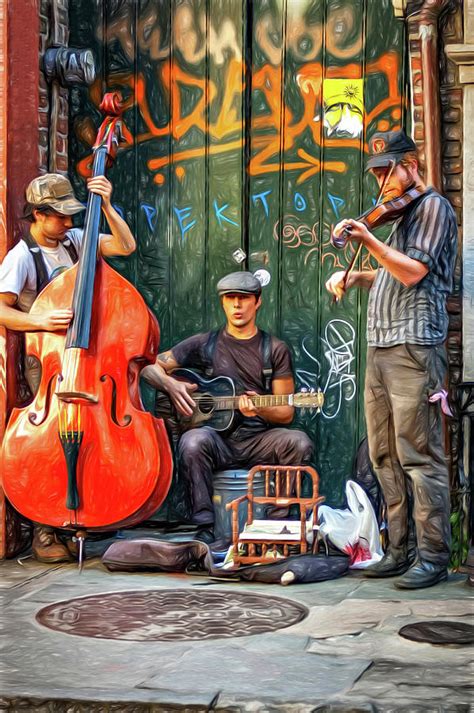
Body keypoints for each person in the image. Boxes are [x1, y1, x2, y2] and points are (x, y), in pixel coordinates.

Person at [326, 129, 457, 589]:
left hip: (413, 346)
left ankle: (433, 556)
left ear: (411, 164)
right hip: (380, 345)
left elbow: (413, 271)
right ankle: (398, 549)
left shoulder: (433, 207)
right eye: (377, 171)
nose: (382, 180)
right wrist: (355, 278)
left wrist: (369, 239)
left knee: (418, 455)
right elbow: (387, 273)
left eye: (388, 169)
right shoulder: (398, 215)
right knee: (383, 454)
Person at [0, 172, 136, 562]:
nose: (69, 223)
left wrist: (106, 205)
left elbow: (126, 246)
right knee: (52, 445)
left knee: (92, 435)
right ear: (38, 215)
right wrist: (41, 321)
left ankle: (89, 512)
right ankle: (45, 529)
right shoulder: (22, 257)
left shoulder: (76, 241)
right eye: (60, 216)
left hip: (90, 360)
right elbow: (2, 308)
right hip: (49, 362)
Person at [141, 271, 314, 545]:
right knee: (193, 440)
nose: (236, 305)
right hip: (217, 440)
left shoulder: (275, 349)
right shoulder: (205, 344)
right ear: (222, 303)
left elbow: (286, 412)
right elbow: (150, 367)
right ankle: (205, 526)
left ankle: (274, 522)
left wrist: (258, 409)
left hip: (259, 440)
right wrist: (172, 386)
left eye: (243, 299)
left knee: (298, 442)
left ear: (257, 302)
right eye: (230, 298)